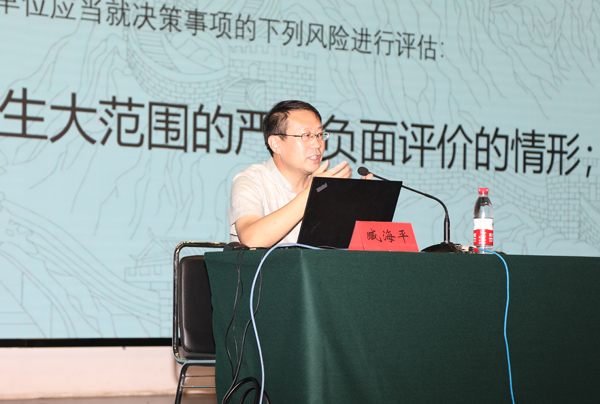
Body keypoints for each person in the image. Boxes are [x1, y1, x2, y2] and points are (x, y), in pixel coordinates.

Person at [228, 100, 369, 247]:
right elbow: (252, 240)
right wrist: (311, 195)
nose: (317, 144)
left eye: (319, 134)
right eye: (306, 135)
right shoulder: (251, 180)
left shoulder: (327, 187)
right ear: (276, 144)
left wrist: (357, 209)